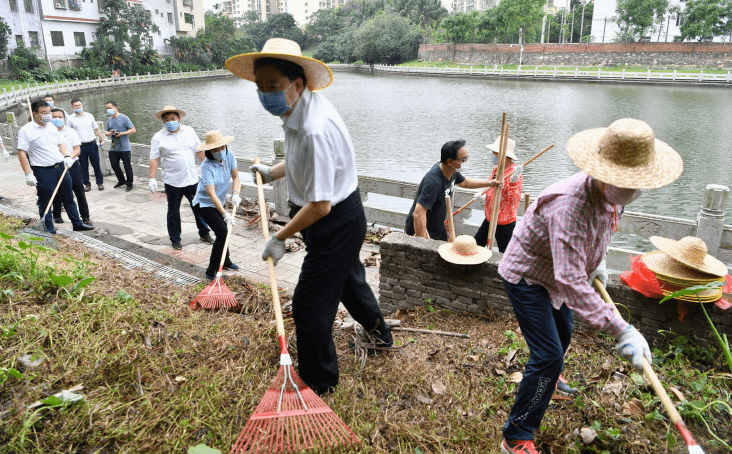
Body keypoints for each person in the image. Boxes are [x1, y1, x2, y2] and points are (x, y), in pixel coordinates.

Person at [496, 118, 683, 454]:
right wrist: (621, 329)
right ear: (601, 174)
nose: (630, 189)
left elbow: (600, 233)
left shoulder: (614, 196)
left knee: (564, 333)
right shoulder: (570, 205)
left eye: (636, 182)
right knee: (549, 355)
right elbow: (569, 281)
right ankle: (516, 436)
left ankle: (547, 381)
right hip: (528, 274)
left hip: (560, 273)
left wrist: (597, 263)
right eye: (623, 182)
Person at [236, 38, 393, 395]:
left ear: (297, 84)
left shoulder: (314, 128)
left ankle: (319, 383)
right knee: (350, 282)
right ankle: (381, 335)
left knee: (309, 306)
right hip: (334, 217)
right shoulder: (297, 110)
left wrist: (279, 237)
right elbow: (298, 162)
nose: (265, 95)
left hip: (333, 221)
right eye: (260, 87)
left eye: (272, 87)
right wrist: (271, 173)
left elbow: (320, 205)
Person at [16, 99, 93, 234]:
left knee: (69, 197)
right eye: (44, 113)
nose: (48, 115)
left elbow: (60, 144)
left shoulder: (51, 126)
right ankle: (48, 228)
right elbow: (22, 152)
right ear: (34, 113)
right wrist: (28, 174)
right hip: (43, 170)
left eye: (48, 112)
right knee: (45, 201)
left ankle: (77, 223)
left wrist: (67, 156)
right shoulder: (26, 130)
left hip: (61, 167)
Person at [405, 140, 501, 241]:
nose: (466, 162)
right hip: (424, 232)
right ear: (450, 162)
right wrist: (422, 242)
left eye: (467, 158)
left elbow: (464, 182)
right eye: (463, 160)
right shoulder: (433, 181)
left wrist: (490, 183)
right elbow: (418, 213)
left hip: (437, 229)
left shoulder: (451, 171)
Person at [149, 105, 213, 250]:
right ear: (163, 122)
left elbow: (200, 150)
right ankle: (175, 238)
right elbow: (154, 158)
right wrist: (152, 178)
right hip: (173, 181)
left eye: (173, 118)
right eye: (167, 120)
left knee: (199, 207)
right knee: (173, 211)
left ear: (179, 118)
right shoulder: (158, 137)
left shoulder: (189, 131)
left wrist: (207, 168)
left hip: (191, 178)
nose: (170, 121)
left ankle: (204, 232)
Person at [192, 130, 242, 279]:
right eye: (215, 149)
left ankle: (225, 261)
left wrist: (235, 194)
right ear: (208, 151)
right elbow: (211, 194)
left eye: (221, 147)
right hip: (204, 204)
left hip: (218, 202)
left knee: (224, 231)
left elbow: (236, 176)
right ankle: (211, 271)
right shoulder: (207, 165)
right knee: (222, 233)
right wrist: (225, 214)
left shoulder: (230, 155)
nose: (219, 151)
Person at [474, 136, 523, 252]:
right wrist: (483, 195)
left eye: (495, 154)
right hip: (490, 217)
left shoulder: (514, 172)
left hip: (504, 221)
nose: (493, 155)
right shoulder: (496, 169)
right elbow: (491, 188)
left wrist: (513, 181)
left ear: (504, 156)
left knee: (504, 253)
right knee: (476, 245)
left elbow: (514, 200)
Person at [50, 108, 93, 226]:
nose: (57, 119)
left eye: (59, 117)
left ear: (64, 118)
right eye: (54, 117)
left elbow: (77, 150)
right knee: (57, 191)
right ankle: (57, 214)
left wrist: (69, 157)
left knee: (79, 191)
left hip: (72, 165)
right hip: (56, 166)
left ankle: (85, 217)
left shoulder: (71, 132)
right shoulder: (47, 133)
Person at [68, 97, 106, 191]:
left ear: (82, 105)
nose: (78, 107)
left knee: (96, 164)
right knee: (83, 166)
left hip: (92, 144)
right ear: (72, 106)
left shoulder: (89, 116)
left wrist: (102, 139)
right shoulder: (70, 118)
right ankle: (87, 184)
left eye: (79, 105)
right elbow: (68, 133)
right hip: (80, 146)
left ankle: (99, 183)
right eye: (75, 106)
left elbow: (96, 129)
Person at [104, 100, 136, 191]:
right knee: (114, 165)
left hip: (124, 147)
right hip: (113, 147)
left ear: (115, 107)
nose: (108, 110)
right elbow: (106, 131)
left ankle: (129, 183)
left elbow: (133, 130)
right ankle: (121, 180)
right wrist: (109, 133)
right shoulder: (109, 119)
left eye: (110, 108)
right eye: (107, 108)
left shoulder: (124, 118)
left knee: (127, 166)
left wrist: (122, 133)